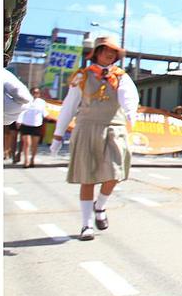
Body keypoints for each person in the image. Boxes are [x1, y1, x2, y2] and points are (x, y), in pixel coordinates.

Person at [50, 34, 139, 241]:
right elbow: (69, 107)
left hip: (113, 128)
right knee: (87, 177)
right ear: (97, 52)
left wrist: (130, 113)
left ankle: (100, 205)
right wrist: (57, 136)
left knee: (115, 173)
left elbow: (129, 97)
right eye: (105, 49)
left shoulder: (121, 76)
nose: (109, 53)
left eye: (113, 51)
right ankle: (86, 224)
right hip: (87, 128)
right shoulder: (82, 76)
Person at [16, 86, 47, 167]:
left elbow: (45, 113)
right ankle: (26, 161)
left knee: (34, 144)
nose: (35, 94)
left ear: (39, 94)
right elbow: (21, 111)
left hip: (37, 125)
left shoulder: (42, 102)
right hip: (26, 124)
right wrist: (19, 121)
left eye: (37, 93)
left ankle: (32, 159)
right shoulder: (26, 101)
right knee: (27, 143)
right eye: (33, 92)